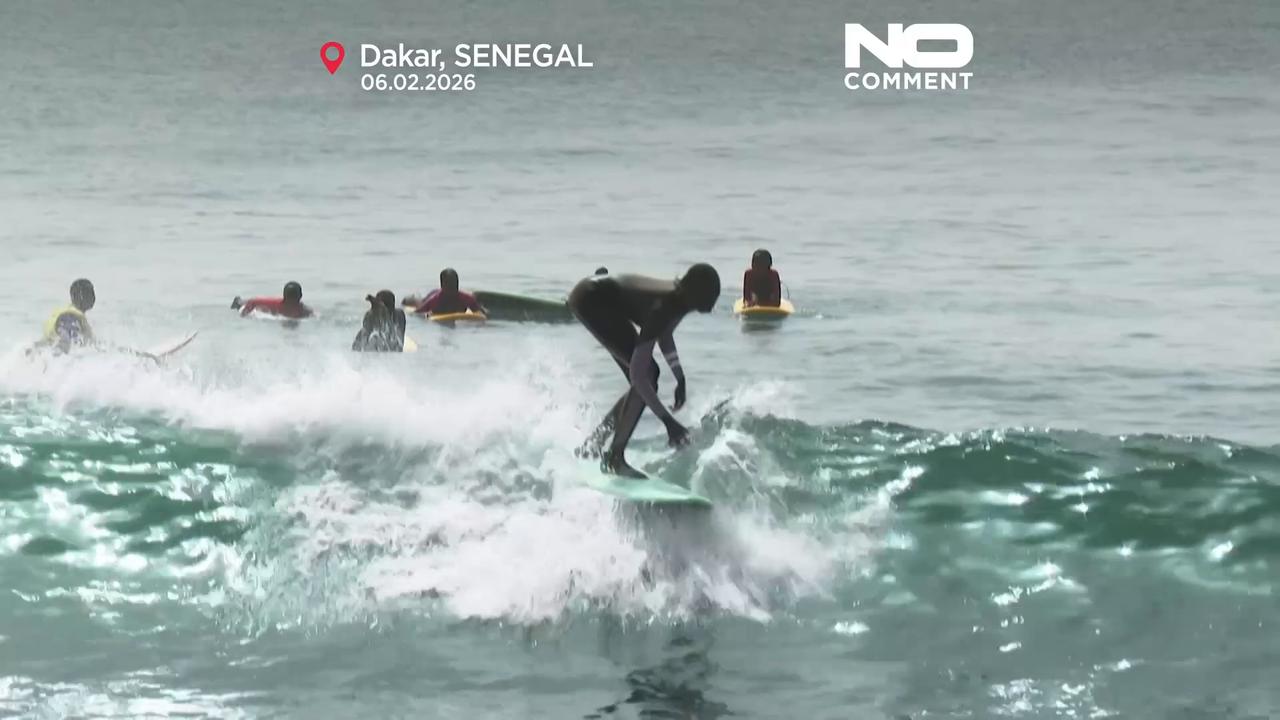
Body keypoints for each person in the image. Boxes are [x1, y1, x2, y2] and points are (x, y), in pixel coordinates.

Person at [567, 263, 721, 478]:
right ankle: (614, 457)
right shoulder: (666, 305)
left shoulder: (679, 300)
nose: (707, 304)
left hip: (598, 298)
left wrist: (680, 377)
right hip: (591, 300)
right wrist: (668, 422)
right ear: (693, 293)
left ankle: (595, 443)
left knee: (647, 375)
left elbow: (663, 334)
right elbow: (639, 375)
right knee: (647, 375)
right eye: (705, 299)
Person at [41, 278, 97, 353]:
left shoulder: (62, 311)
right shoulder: (72, 316)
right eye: (89, 294)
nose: (93, 297)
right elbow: (66, 338)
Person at [412, 268, 486, 316]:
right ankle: (414, 297)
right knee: (419, 302)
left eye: (455, 286)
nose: (452, 290)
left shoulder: (466, 299)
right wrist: (425, 316)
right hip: (433, 294)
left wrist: (482, 311)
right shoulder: (435, 300)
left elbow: (479, 312)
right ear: (442, 286)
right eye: (450, 287)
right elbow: (416, 313)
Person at [232, 281, 313, 319]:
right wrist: (244, 314)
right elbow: (252, 302)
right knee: (240, 304)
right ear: (300, 296)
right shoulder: (275, 303)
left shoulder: (304, 311)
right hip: (247, 304)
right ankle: (239, 302)